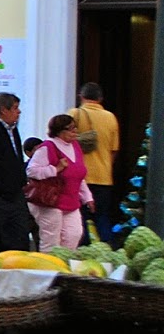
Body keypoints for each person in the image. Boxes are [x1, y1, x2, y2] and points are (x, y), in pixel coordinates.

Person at [26, 114, 93, 252]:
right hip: (51, 202)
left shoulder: (75, 147)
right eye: (70, 129)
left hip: (71, 201)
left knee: (74, 235)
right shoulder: (47, 147)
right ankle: (48, 271)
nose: (75, 131)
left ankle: (63, 266)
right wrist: (56, 169)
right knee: (51, 241)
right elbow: (31, 171)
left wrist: (87, 197)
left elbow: (78, 176)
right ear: (59, 131)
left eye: (75, 128)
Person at [0, 91, 34, 254]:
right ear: (4, 110)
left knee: (19, 237)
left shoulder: (13, 129)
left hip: (15, 194)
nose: (19, 112)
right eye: (15, 108)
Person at [69, 83, 121, 240]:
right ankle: (106, 253)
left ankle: (80, 256)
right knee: (102, 217)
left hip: (80, 178)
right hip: (104, 178)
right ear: (100, 99)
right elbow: (114, 149)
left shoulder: (74, 114)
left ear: (81, 97)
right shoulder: (111, 117)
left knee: (79, 218)